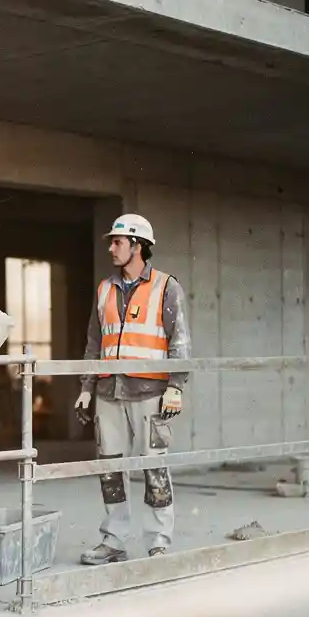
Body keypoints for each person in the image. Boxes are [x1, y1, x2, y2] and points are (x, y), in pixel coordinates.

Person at [74, 213, 191, 563]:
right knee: (109, 469)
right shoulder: (104, 289)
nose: (112, 248)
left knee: (154, 468)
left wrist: (177, 386)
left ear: (137, 246)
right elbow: (95, 343)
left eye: (118, 242)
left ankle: (158, 542)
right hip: (109, 393)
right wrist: (86, 387)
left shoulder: (166, 287)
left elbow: (180, 342)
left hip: (150, 394)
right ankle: (114, 541)